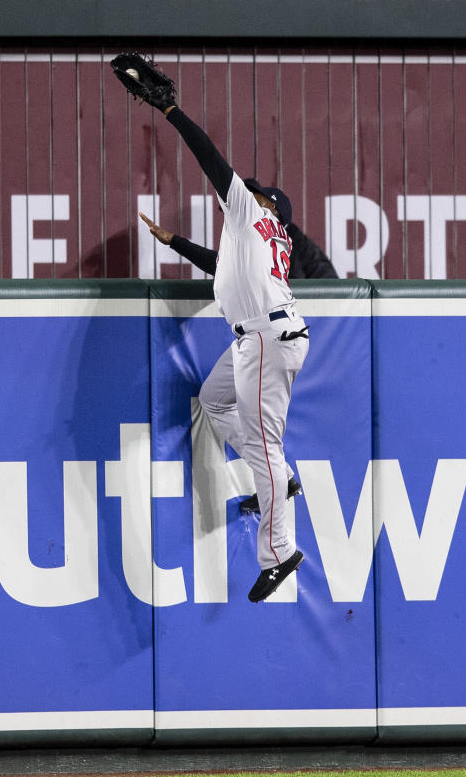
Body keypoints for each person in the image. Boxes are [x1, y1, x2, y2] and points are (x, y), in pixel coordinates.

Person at [135, 87, 311, 603]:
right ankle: (278, 478)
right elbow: (220, 268)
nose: (240, 191)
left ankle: (279, 552)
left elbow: (208, 155)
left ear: (267, 207)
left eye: (252, 191)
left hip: (266, 340)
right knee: (214, 399)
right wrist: (176, 244)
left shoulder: (253, 215)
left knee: (265, 449)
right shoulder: (257, 238)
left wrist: (170, 111)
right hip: (260, 338)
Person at [139, 204, 338, 280]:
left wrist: (175, 241)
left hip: (326, 309)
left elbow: (297, 285)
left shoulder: (277, 234)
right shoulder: (260, 233)